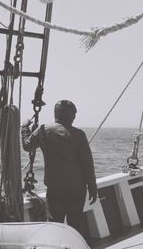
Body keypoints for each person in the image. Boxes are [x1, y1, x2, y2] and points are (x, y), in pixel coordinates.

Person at [21, 100, 97, 234]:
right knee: (75, 225)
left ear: (56, 114)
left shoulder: (43, 130)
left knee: (55, 226)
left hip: (55, 188)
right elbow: (87, 164)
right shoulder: (79, 135)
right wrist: (92, 187)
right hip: (77, 189)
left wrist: (24, 128)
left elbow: (27, 146)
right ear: (72, 116)